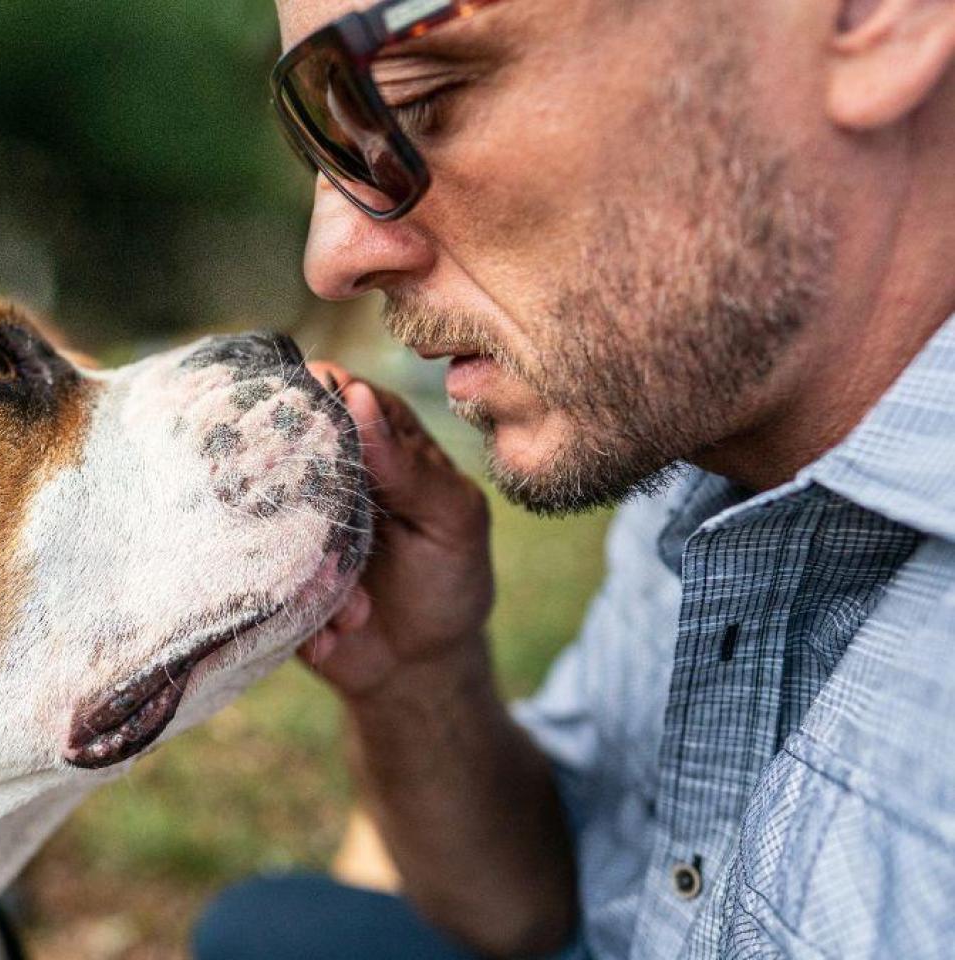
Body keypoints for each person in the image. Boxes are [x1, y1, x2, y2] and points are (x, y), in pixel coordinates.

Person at [193, 0, 955, 956]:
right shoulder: (709, 430)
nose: (333, 257)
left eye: (422, 102)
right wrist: (418, 677)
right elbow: (530, 908)